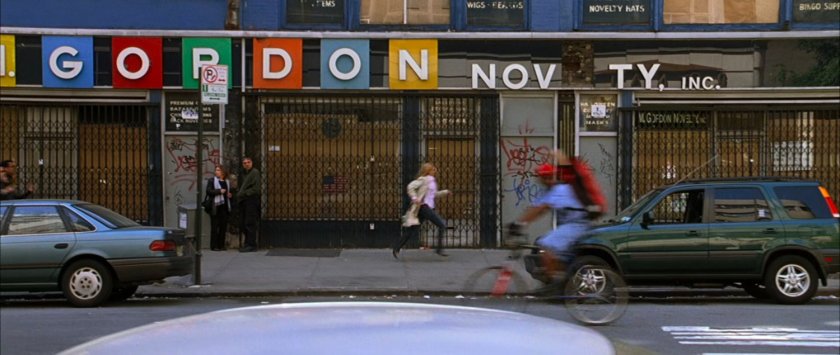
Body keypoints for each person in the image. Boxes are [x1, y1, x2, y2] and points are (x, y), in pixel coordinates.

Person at [508, 152, 591, 283]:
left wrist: (519, 224)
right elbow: (535, 208)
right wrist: (519, 222)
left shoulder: (560, 190)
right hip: (568, 225)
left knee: (545, 245)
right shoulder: (548, 191)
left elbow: (541, 209)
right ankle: (560, 273)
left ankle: (555, 283)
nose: (547, 180)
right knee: (543, 244)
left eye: (549, 177)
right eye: (544, 177)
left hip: (576, 224)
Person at [393, 162, 451, 258]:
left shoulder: (432, 181)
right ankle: (439, 250)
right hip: (424, 207)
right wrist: (415, 198)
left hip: (427, 208)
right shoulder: (423, 180)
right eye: (433, 169)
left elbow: (434, 195)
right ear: (428, 171)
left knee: (412, 230)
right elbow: (410, 187)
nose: (435, 170)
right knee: (442, 225)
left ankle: (396, 248)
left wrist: (445, 192)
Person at [206, 165, 233, 251]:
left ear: (223, 172)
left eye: (218, 170)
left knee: (223, 227)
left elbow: (228, 193)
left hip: (224, 207)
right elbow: (209, 191)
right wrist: (219, 191)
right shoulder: (212, 180)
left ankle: (221, 245)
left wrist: (229, 195)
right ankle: (214, 246)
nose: (216, 172)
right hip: (215, 206)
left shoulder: (227, 182)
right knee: (214, 227)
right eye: (216, 170)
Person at [236, 157, 261, 252]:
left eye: (248, 162)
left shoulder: (254, 172)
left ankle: (251, 244)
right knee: (243, 222)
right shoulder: (243, 174)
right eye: (244, 163)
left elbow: (256, 188)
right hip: (243, 200)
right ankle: (247, 243)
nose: (246, 164)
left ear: (252, 163)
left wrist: (245, 193)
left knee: (249, 222)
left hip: (251, 200)